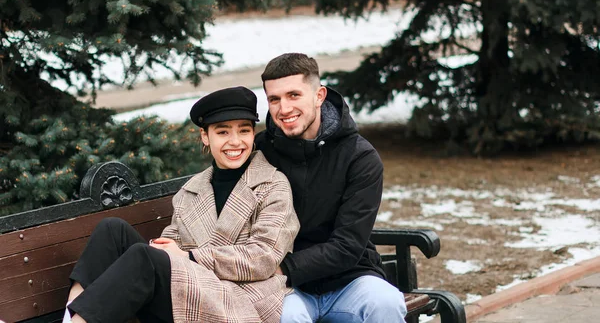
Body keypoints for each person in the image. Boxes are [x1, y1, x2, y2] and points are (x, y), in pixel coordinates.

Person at [62, 86, 300, 323]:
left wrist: (191, 256)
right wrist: (166, 250)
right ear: (205, 136)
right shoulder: (191, 190)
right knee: (112, 230)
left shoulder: (272, 185)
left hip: (243, 302)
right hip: (194, 290)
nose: (235, 142)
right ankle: (70, 317)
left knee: (144, 258)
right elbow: (172, 244)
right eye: (223, 132)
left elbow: (262, 258)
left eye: (244, 131)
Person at [255, 53, 407, 322]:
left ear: (319, 95)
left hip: (348, 279)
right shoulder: (261, 151)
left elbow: (348, 246)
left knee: (385, 303)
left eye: (294, 95)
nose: (284, 108)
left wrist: (281, 267)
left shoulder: (359, 156)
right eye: (274, 99)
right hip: (286, 289)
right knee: (284, 318)